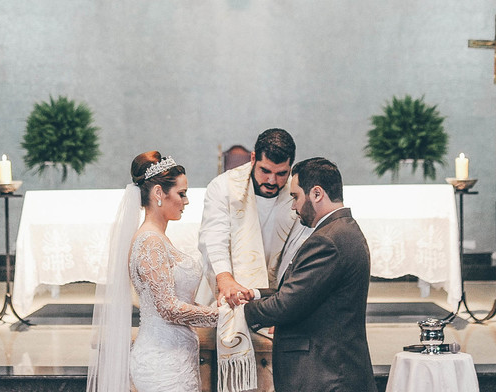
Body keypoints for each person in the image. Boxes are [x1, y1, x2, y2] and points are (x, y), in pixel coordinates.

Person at [238, 157, 377, 392]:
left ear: (317, 193)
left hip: (326, 375)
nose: (293, 206)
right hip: (335, 371)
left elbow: (286, 305)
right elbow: (302, 290)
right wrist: (254, 293)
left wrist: (240, 311)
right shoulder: (343, 229)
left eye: (295, 196)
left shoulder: (328, 240)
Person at [87, 151, 218, 392]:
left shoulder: (158, 238)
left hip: (175, 359)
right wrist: (221, 316)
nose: (186, 201)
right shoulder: (150, 242)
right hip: (162, 363)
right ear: (159, 193)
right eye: (182, 193)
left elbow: (175, 299)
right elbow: (168, 308)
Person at [198, 128, 311, 308]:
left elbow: (300, 246)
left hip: (278, 297)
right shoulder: (223, 187)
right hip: (229, 287)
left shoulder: (298, 193)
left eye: (281, 173)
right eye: (265, 170)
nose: (272, 180)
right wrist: (225, 279)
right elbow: (213, 239)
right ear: (253, 159)